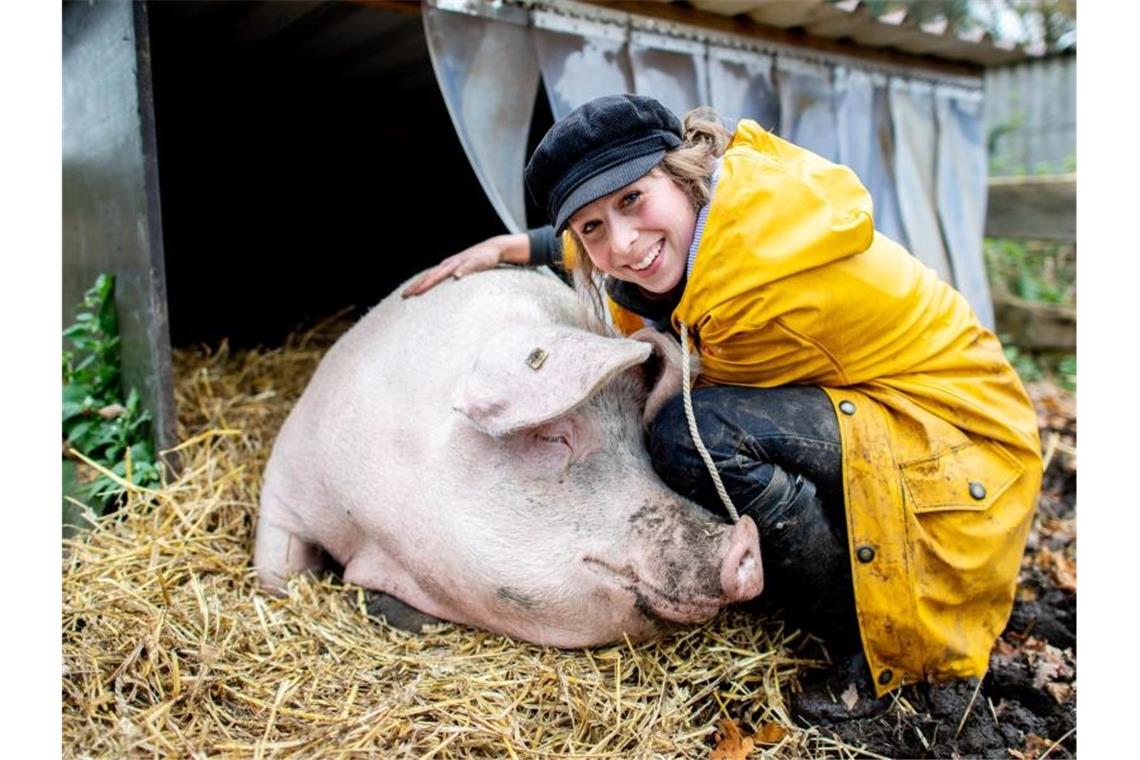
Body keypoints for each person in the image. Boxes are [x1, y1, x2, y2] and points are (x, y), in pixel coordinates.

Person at [403, 94, 1043, 722]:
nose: (624, 244)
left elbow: (680, 386)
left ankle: (860, 636)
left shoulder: (755, 291)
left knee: (693, 436)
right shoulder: (731, 208)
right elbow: (631, 245)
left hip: (958, 439)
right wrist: (518, 247)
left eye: (633, 199)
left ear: (681, 175)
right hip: (903, 399)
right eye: (592, 226)